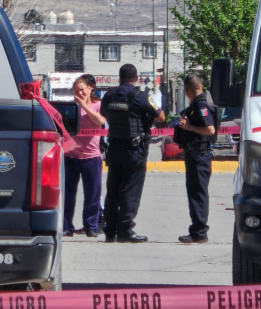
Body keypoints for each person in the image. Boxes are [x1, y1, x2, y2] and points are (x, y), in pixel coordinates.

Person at [101, 64, 165, 243]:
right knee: (131, 189)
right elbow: (160, 117)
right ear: (136, 79)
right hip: (134, 149)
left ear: (119, 77)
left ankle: (110, 230)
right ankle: (125, 229)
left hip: (114, 147)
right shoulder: (140, 96)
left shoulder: (109, 95)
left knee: (113, 189)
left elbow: (105, 114)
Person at [63, 74, 106, 238]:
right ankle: (66, 226)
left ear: (90, 88)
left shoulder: (98, 105)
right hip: (71, 156)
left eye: (81, 90)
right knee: (68, 194)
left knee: (92, 194)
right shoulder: (72, 107)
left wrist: (84, 106)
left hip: (91, 157)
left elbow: (100, 121)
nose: (79, 93)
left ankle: (91, 226)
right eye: (76, 91)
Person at [176, 74, 215, 244]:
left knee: (198, 193)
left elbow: (210, 130)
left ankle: (199, 232)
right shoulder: (196, 105)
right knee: (195, 192)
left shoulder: (201, 105)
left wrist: (189, 127)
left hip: (199, 155)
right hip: (195, 154)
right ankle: (197, 230)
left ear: (187, 90)